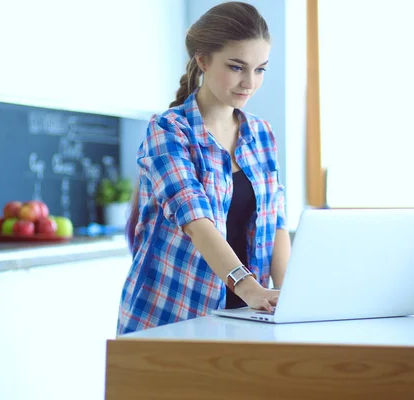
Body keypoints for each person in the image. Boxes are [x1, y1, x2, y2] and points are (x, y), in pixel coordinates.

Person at [117, 1, 290, 334]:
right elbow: (196, 221)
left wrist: (291, 297)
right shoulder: (168, 130)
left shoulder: (262, 134)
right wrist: (249, 286)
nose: (250, 82)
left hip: (245, 318)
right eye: (237, 67)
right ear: (203, 61)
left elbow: (276, 221)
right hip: (168, 319)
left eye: (260, 69)